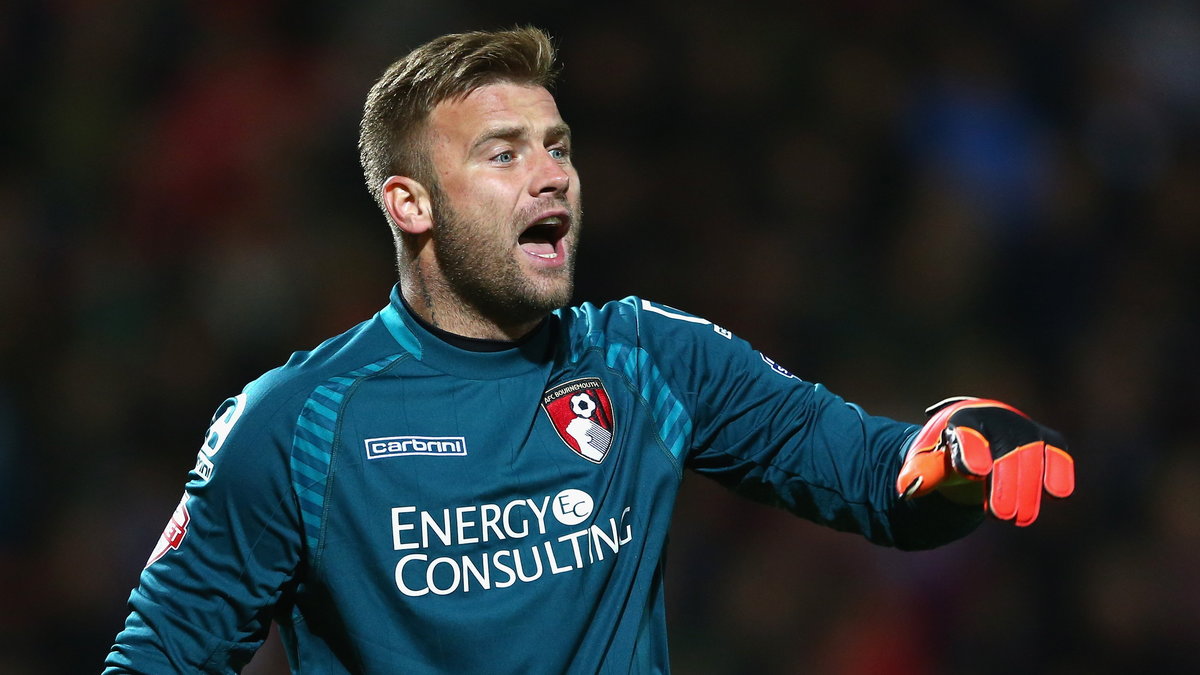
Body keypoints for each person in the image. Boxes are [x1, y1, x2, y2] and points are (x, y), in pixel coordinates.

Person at [104, 27, 1075, 674]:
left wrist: (953, 455)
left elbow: (876, 477)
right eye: (502, 153)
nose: (549, 177)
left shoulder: (651, 359)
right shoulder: (294, 423)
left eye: (557, 146)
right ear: (410, 203)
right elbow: (162, 656)